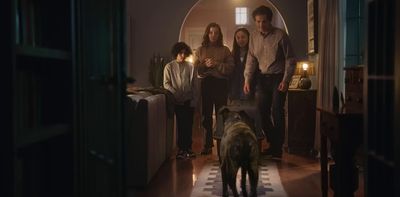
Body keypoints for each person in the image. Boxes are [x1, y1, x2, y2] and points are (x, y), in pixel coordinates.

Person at [243, 6, 296, 158]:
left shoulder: (281, 35)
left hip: (278, 78)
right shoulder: (253, 37)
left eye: (264, 21)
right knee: (261, 111)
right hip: (261, 78)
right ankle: (274, 143)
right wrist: (247, 79)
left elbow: (290, 59)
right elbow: (251, 59)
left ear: (270, 20)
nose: (261, 25)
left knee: (277, 111)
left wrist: (286, 80)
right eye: (258, 22)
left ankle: (277, 150)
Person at [194, 22, 234, 155]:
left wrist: (216, 64)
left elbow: (230, 68)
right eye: (211, 32)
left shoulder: (225, 50)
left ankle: (223, 144)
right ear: (207, 33)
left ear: (219, 34)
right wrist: (205, 65)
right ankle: (207, 145)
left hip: (221, 84)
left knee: (222, 115)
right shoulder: (200, 50)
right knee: (206, 115)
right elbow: (196, 70)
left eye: (216, 32)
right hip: (206, 84)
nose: (213, 35)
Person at [163, 42, 197, 159]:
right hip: (177, 101)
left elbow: (194, 84)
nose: (182, 55)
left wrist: (194, 99)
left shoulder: (190, 67)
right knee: (181, 125)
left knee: (189, 124)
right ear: (176, 53)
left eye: (184, 53)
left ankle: (188, 149)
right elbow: (166, 84)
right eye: (180, 53)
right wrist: (175, 93)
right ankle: (181, 149)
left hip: (189, 100)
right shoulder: (169, 67)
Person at [228, 27, 258, 104]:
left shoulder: (253, 53)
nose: (240, 40)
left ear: (248, 37)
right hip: (235, 89)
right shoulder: (232, 54)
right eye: (238, 38)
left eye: (243, 37)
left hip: (250, 86)